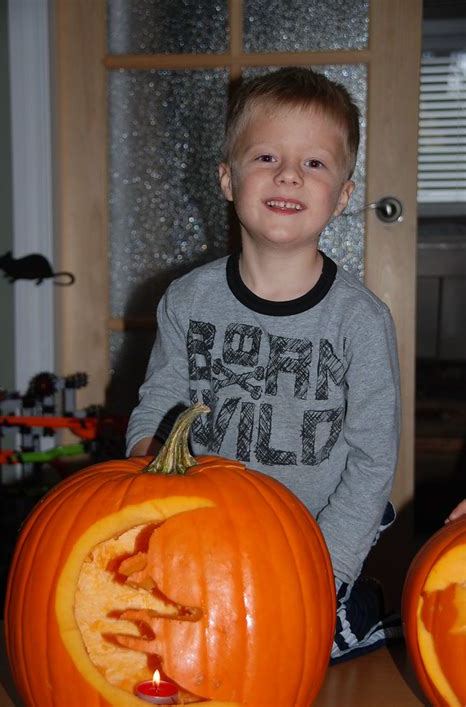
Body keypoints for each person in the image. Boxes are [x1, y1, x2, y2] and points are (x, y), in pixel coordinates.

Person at [126, 67, 402, 662]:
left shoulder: (361, 321)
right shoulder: (188, 300)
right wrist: (146, 475)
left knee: (287, 655)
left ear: (344, 194)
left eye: (315, 164)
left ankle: (357, 607)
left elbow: (373, 456)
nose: (288, 175)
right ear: (228, 179)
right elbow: (161, 397)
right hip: (207, 531)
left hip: (310, 535)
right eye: (268, 156)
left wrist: (326, 568)